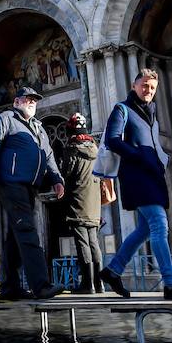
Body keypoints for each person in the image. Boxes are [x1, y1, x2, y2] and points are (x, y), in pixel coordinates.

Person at [94, 70, 172, 301]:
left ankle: (113, 270)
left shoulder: (152, 115)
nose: (148, 91)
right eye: (144, 86)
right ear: (134, 85)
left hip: (153, 176)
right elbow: (113, 140)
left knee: (144, 229)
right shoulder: (122, 109)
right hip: (136, 176)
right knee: (159, 226)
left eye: (152, 88)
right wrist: (139, 157)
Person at [0, 86, 66, 301]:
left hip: (30, 185)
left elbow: (48, 155)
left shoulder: (38, 127)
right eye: (28, 99)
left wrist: (57, 179)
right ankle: (41, 286)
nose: (32, 103)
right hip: (10, 182)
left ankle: (10, 287)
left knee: (15, 235)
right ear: (17, 101)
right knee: (27, 230)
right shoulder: (5, 119)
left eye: (35, 100)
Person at [59, 113, 104, 294]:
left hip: (78, 198)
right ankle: (99, 283)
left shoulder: (72, 147)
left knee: (82, 241)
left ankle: (88, 283)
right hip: (94, 200)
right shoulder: (95, 147)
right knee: (94, 241)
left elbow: (67, 172)